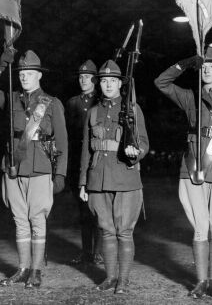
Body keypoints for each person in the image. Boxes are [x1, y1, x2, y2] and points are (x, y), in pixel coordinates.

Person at [154, 47, 212, 300]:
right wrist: (185, 63)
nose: (206, 69)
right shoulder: (190, 97)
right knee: (199, 228)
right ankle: (200, 282)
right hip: (193, 168)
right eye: (202, 66)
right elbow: (161, 82)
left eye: (210, 66)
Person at [0, 48, 68, 289]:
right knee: (19, 219)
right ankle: (22, 268)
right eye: (21, 73)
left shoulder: (51, 104)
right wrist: (0, 64)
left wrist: (60, 173)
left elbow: (61, 142)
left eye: (29, 73)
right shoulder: (11, 98)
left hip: (39, 167)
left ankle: (36, 271)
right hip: (12, 166)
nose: (24, 77)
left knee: (37, 219)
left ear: (39, 75)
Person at [79, 60, 149, 294]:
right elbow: (86, 150)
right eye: (104, 81)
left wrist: (135, 153)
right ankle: (110, 278)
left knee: (124, 231)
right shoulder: (94, 112)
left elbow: (144, 144)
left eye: (113, 81)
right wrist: (83, 182)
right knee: (106, 230)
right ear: (99, 84)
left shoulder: (131, 110)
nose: (108, 85)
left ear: (121, 84)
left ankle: (124, 280)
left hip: (125, 177)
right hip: (98, 177)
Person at [65, 60, 103, 265]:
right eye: (80, 77)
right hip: (78, 161)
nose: (82, 80)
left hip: (96, 159)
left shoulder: (102, 100)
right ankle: (86, 251)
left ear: (95, 80)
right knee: (83, 210)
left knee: (98, 208)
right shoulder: (72, 103)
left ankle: (98, 251)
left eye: (87, 77)